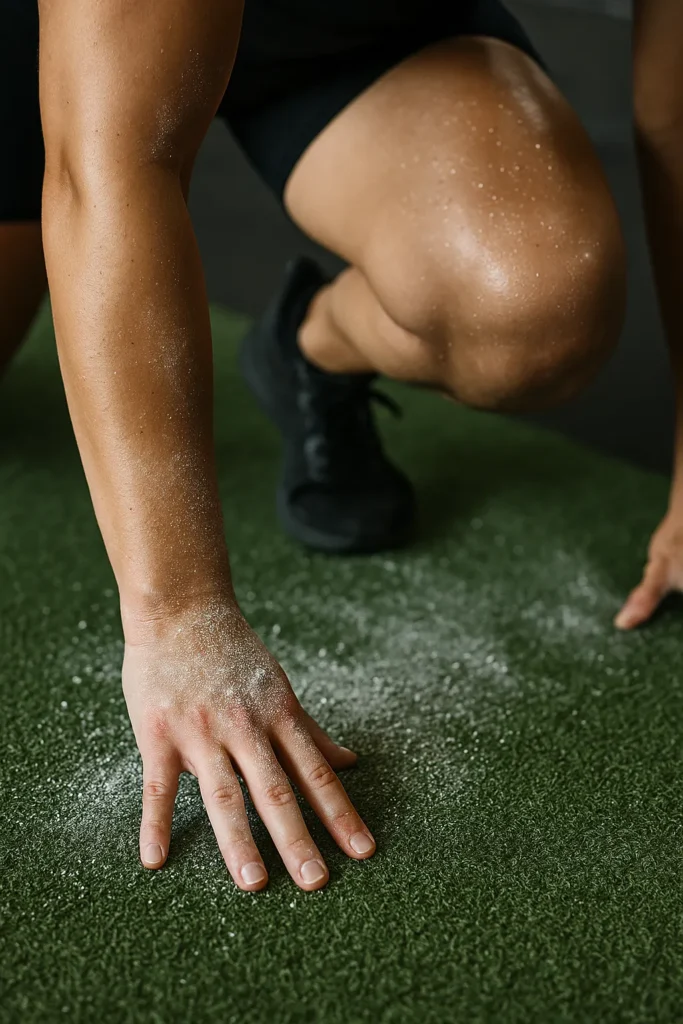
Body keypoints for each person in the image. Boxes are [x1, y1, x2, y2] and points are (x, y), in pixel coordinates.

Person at [1, 0, 625, 892]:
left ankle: (308, 345)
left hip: (322, 27)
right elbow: (111, 166)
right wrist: (182, 617)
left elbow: (675, 116)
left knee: (536, 313)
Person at [616, 0, 683, 630]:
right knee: (524, 308)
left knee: (538, 304)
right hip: (259, 45)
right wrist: (226, 633)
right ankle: (318, 341)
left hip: (411, 35)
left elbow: (675, 119)